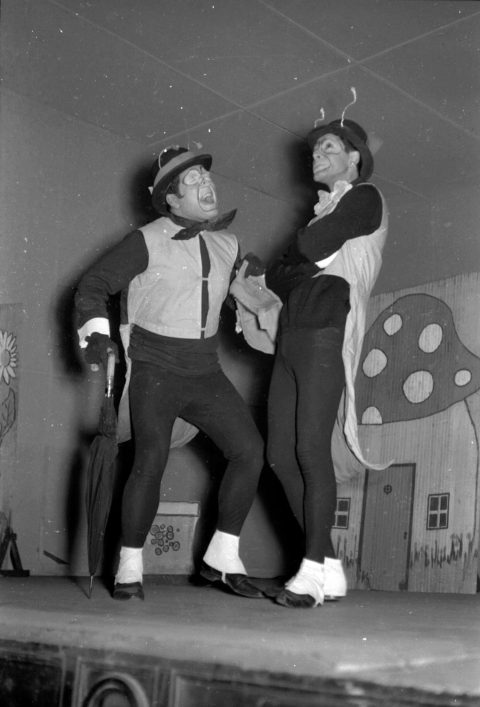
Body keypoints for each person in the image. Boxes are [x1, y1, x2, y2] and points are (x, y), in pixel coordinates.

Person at [75, 146, 265, 601]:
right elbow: (94, 284)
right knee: (151, 459)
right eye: (193, 180)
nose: (207, 183)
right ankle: (129, 567)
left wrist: (252, 283)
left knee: (250, 451)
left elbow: (232, 289)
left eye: (207, 176)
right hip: (155, 367)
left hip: (205, 369)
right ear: (172, 199)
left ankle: (222, 556)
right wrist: (97, 335)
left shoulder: (227, 243)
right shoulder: (147, 239)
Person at [234, 119, 388, 608]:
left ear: (354, 157)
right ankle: (330, 566)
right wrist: (294, 264)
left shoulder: (365, 197)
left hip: (326, 327)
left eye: (328, 146)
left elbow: (305, 249)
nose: (316, 153)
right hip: (293, 332)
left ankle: (312, 570)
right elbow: (281, 276)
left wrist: (296, 260)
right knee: (280, 454)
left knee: (309, 449)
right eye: (315, 148)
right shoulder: (328, 209)